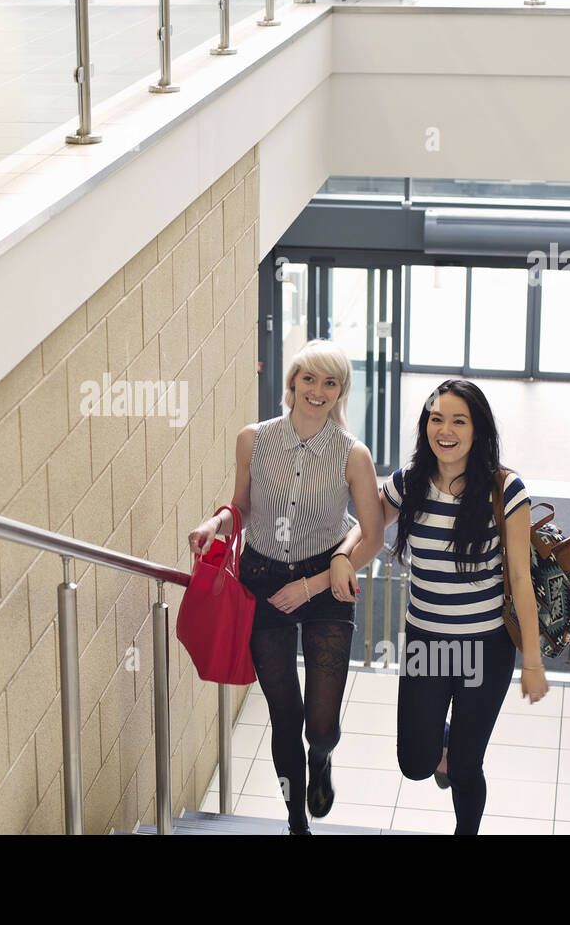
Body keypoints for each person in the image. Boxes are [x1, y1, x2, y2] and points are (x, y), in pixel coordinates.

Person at [334, 379, 549, 835]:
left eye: (458, 420)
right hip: (426, 645)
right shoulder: (408, 483)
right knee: (416, 762)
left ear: (478, 430)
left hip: (486, 647)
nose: (445, 430)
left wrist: (532, 661)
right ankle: (446, 743)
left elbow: (519, 580)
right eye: (436, 419)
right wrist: (340, 557)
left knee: (467, 769)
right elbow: (368, 528)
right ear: (425, 426)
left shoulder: (505, 490)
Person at [189, 339, 383, 835]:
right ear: (292, 382)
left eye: (330, 382)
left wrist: (318, 579)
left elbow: (374, 532)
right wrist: (217, 525)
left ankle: (321, 760)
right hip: (263, 581)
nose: (317, 391)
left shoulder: (353, 455)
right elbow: (242, 508)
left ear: (340, 392)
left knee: (320, 725)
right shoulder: (253, 439)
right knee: (285, 715)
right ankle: (296, 821)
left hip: (325, 583)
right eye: (309, 379)